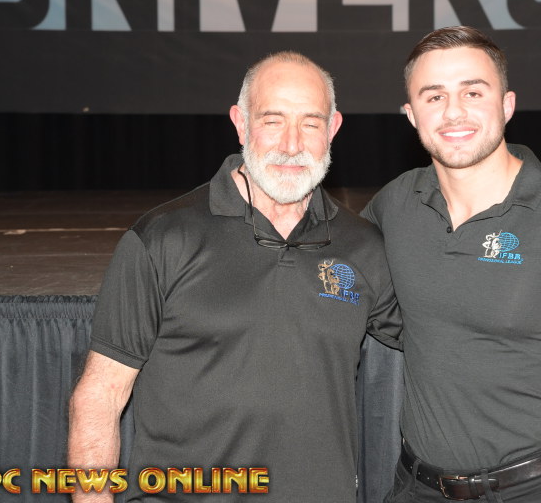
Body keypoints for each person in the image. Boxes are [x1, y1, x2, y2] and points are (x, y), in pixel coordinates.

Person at [67, 51, 403, 502]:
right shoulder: (163, 238)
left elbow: (443, 340)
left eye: (310, 123)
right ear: (241, 124)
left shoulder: (363, 246)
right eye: (272, 120)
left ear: (333, 128)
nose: (291, 144)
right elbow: (100, 395)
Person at [362, 26, 541, 503]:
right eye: (434, 96)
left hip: (532, 488)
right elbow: (335, 269)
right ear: (411, 115)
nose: (454, 112)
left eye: (473, 92)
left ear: (507, 105)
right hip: (416, 486)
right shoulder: (396, 204)